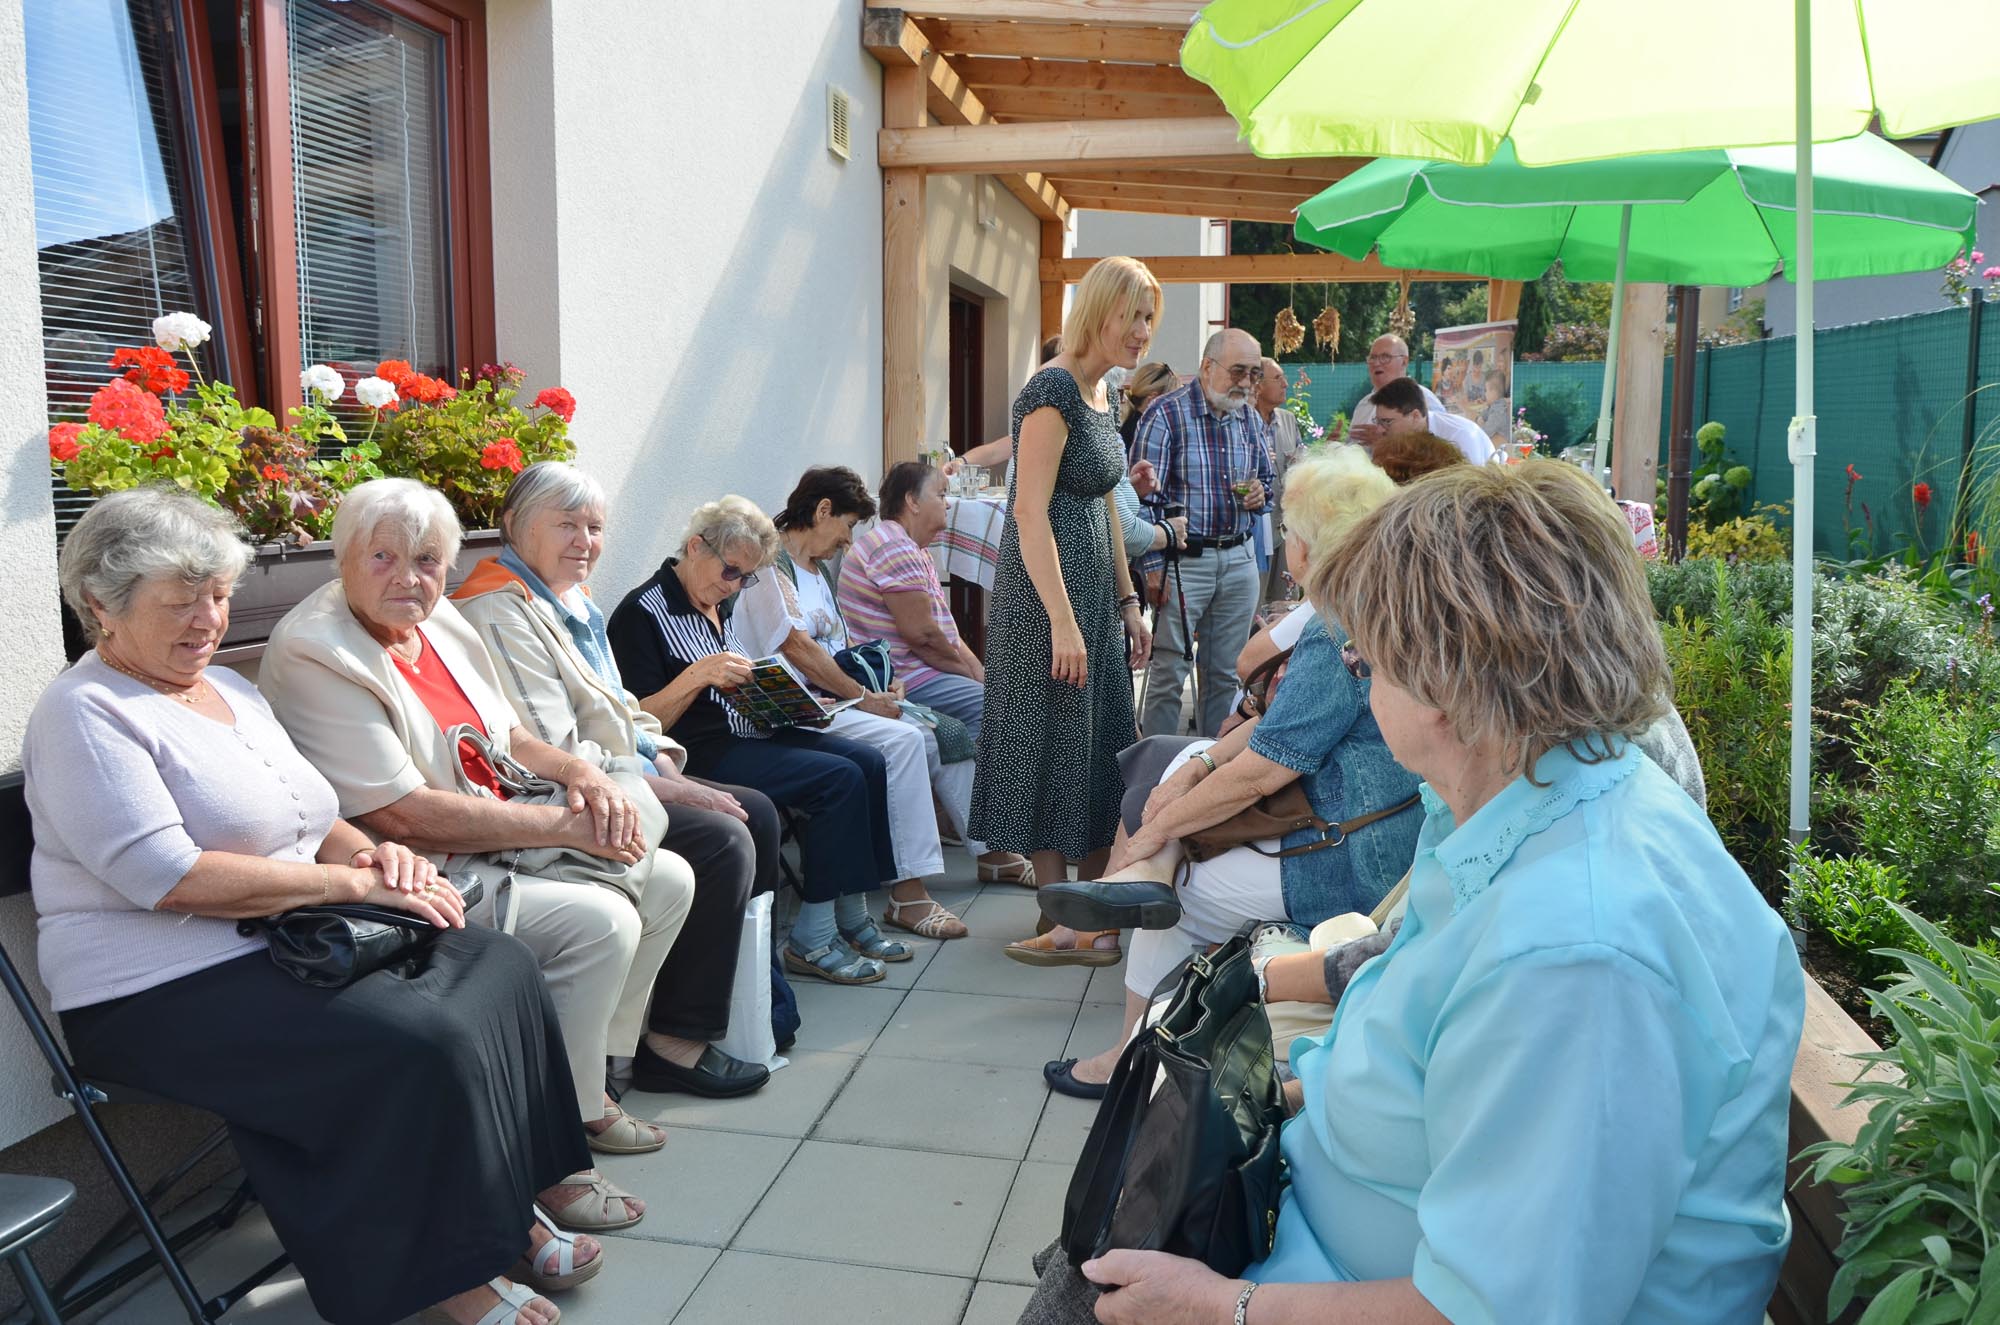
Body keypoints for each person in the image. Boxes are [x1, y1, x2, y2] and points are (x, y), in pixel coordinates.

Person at [1074, 461, 1805, 1325]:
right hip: (1317, 1228)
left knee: (1084, 1287)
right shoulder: (1523, 802)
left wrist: (1220, 1307)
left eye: (1364, 657)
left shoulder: (1576, 953)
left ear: (1448, 686)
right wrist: (1285, 1094)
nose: (1357, 672)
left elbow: (1494, 1310)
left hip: (1320, 1279)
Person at [28, 487, 595, 1325]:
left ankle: (510, 1209)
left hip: (287, 940)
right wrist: (349, 885)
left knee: (496, 966)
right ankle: (448, 1278)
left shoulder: (227, 687)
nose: (209, 621)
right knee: (417, 1040)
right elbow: (169, 876)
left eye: (219, 596)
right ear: (99, 609)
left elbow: (312, 808)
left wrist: (372, 854)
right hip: (159, 989)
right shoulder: (86, 713)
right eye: (181, 603)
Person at [260, 477, 689, 1237]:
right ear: (345, 558)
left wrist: (581, 775)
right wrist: (562, 826)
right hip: (417, 867)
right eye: (384, 556)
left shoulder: (440, 621)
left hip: (504, 827)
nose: (408, 576)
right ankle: (546, 1156)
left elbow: (509, 736)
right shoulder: (316, 649)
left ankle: (582, 1096)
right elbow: (397, 811)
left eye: (427, 560)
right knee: (602, 924)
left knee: (671, 881)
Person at [1035, 448, 1421, 1097]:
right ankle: (1138, 886)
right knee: (1186, 763)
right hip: (1369, 833)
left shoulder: (1339, 630)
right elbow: (1270, 729)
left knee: (1180, 890)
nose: (1286, 542)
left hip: (1349, 860)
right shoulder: (1374, 606)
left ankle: (1131, 1059)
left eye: (1292, 530)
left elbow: (1264, 771)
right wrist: (1197, 770)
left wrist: (1163, 823)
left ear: (1312, 546)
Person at [450, 461, 776, 1097]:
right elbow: (554, 745)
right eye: (566, 525)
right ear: (515, 527)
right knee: (722, 837)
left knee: (751, 813)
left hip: (622, 771)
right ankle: (673, 1041)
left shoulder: (569, 599)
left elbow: (621, 705)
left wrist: (661, 757)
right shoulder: (499, 608)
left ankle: (726, 1010)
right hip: (560, 792)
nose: (585, 542)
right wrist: (657, 779)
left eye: (595, 527)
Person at [606, 497, 904, 987]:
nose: (736, 586)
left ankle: (851, 916)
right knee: (838, 780)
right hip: (703, 751)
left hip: (757, 731)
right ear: (694, 547)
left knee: (869, 761)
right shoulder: (642, 613)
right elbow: (637, 721)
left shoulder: (718, 598)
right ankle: (814, 936)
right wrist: (697, 676)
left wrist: (793, 701)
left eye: (745, 578)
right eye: (732, 572)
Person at [972, 255, 1157, 968]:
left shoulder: (1100, 392)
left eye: (1149, 319)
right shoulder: (1050, 390)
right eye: (1133, 315)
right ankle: (1065, 919)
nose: (1143, 332)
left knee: (1096, 748)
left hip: (1086, 600)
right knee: (1048, 747)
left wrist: (1126, 598)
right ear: (1099, 309)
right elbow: (1027, 510)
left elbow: (1106, 506)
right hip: (1042, 601)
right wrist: (1062, 620)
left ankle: (1091, 916)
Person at [733, 465, 995, 939]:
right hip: (794, 708)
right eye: (849, 526)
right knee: (906, 741)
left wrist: (884, 684)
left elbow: (843, 648)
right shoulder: (771, 565)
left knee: (931, 734)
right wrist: (862, 698)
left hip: (834, 700)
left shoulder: (815, 572)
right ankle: (909, 892)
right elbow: (798, 648)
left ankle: (980, 855)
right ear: (823, 510)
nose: (849, 542)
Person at [832, 461, 1050, 898]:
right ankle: (997, 847)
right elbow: (924, 638)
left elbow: (944, 630)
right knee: (1000, 712)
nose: (948, 506)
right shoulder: (894, 548)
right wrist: (978, 678)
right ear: (912, 502)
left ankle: (993, 843)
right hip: (905, 679)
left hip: (917, 672)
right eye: (941, 495)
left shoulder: (906, 547)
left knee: (992, 707)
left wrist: (980, 673)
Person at [1132, 327, 1276, 739]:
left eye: (1254, 374)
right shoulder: (1165, 414)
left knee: (1227, 675)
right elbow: (1141, 501)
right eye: (1238, 372)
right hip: (1182, 561)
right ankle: (1156, 770)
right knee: (1168, 672)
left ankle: (1208, 771)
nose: (1246, 384)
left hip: (1238, 557)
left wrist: (1260, 495)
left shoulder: (1249, 416)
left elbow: (1267, 479)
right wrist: (1153, 568)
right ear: (1207, 366)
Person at [1253, 356, 1306, 602]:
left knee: (1285, 599)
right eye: (1278, 378)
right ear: (1258, 385)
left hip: (1286, 528)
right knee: (1255, 600)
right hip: (1255, 531)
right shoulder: (1243, 420)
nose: (1286, 383)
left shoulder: (1288, 420)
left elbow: (1300, 460)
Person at [1365, 375, 1497, 466]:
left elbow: (1470, 494)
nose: (1379, 429)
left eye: (1387, 422)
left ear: (1415, 416)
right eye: (1378, 421)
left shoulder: (1460, 437)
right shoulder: (1401, 439)